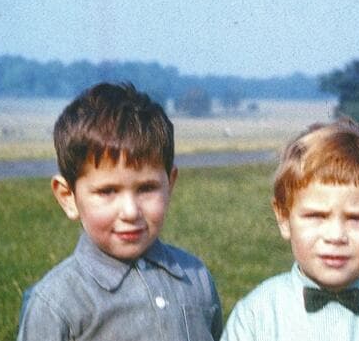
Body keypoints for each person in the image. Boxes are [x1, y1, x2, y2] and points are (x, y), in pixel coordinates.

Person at [17, 83, 223, 341]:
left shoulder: (196, 278)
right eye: (107, 191)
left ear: (170, 185)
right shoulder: (56, 303)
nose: (130, 211)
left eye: (147, 188)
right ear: (67, 197)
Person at [221, 118, 359, 341]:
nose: (336, 236)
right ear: (284, 218)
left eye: (357, 218)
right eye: (316, 216)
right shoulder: (256, 316)